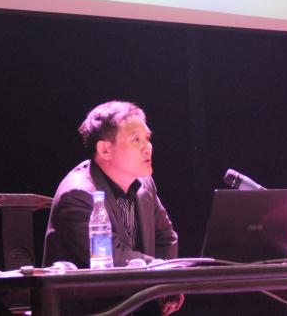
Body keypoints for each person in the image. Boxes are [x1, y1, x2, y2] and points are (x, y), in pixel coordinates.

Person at [43, 100, 184, 315]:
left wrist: (168, 285)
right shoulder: (78, 194)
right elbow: (113, 259)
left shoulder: (145, 184)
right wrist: (166, 273)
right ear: (105, 150)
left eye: (147, 138)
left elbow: (166, 237)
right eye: (136, 139)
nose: (147, 147)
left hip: (136, 306)